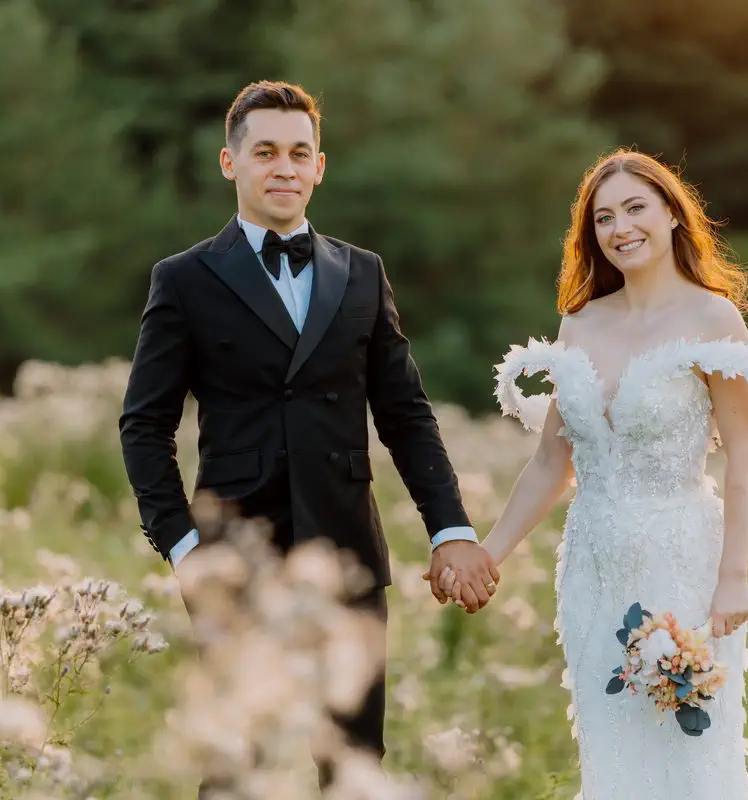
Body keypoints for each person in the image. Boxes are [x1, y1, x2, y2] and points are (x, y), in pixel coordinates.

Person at [117, 80, 500, 796]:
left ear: (320, 167)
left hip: (348, 554)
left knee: (354, 765)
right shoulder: (185, 279)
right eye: (265, 152)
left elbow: (406, 414)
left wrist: (449, 528)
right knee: (236, 767)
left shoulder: (362, 273)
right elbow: (144, 426)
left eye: (300, 153)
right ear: (230, 162)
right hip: (235, 566)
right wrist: (183, 545)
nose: (284, 167)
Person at [441, 149, 748, 798]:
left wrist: (734, 577)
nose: (621, 226)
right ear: (591, 234)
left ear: (672, 215)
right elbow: (553, 460)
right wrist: (487, 554)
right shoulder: (580, 323)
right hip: (592, 568)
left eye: (636, 208)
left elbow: (745, 456)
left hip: (683, 561)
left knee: (689, 751)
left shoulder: (712, 318)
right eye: (604, 217)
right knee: (613, 754)